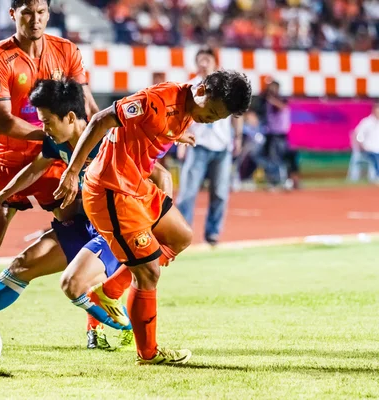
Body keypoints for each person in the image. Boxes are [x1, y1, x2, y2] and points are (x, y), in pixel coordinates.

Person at [0, 79, 134, 350]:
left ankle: (129, 328)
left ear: (69, 117)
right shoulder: (60, 140)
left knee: (78, 286)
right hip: (84, 222)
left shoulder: (108, 140)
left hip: (114, 229)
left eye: (47, 121)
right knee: (21, 266)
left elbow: (153, 175)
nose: (43, 130)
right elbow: (34, 169)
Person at [55, 71, 252, 365]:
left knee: (180, 236)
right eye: (210, 112)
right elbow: (99, 121)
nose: (210, 120)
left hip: (136, 187)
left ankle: (108, 292)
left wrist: (176, 134)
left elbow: (160, 129)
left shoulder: (189, 109)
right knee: (148, 273)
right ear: (201, 90)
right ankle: (148, 353)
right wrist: (72, 172)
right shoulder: (155, 102)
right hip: (111, 190)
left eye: (218, 118)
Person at [0, 0, 99, 304]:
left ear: (49, 14)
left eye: (41, 13)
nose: (35, 20)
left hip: (55, 163)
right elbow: (3, 122)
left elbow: (86, 105)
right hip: (9, 162)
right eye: (27, 13)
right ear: (13, 14)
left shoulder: (67, 51)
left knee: (86, 232)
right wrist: (54, 134)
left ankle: (97, 325)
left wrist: (91, 141)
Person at [176, 47, 244, 246]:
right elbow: (182, 116)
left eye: (207, 59)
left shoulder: (227, 87)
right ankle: (182, 233)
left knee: (220, 193)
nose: (203, 63)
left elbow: (236, 114)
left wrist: (237, 138)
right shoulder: (189, 87)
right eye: (200, 60)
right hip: (197, 145)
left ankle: (213, 233)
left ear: (215, 63)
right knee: (187, 192)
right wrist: (180, 141)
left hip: (222, 146)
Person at [260, 80, 291, 189]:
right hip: (271, 133)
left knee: (279, 158)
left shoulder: (281, 99)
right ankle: (274, 180)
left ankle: (282, 180)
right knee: (271, 158)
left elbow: (281, 106)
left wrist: (271, 99)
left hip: (280, 133)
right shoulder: (265, 100)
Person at [353, 102, 379, 180]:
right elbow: (358, 134)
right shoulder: (367, 122)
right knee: (376, 158)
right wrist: (362, 145)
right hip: (369, 149)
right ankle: (377, 176)